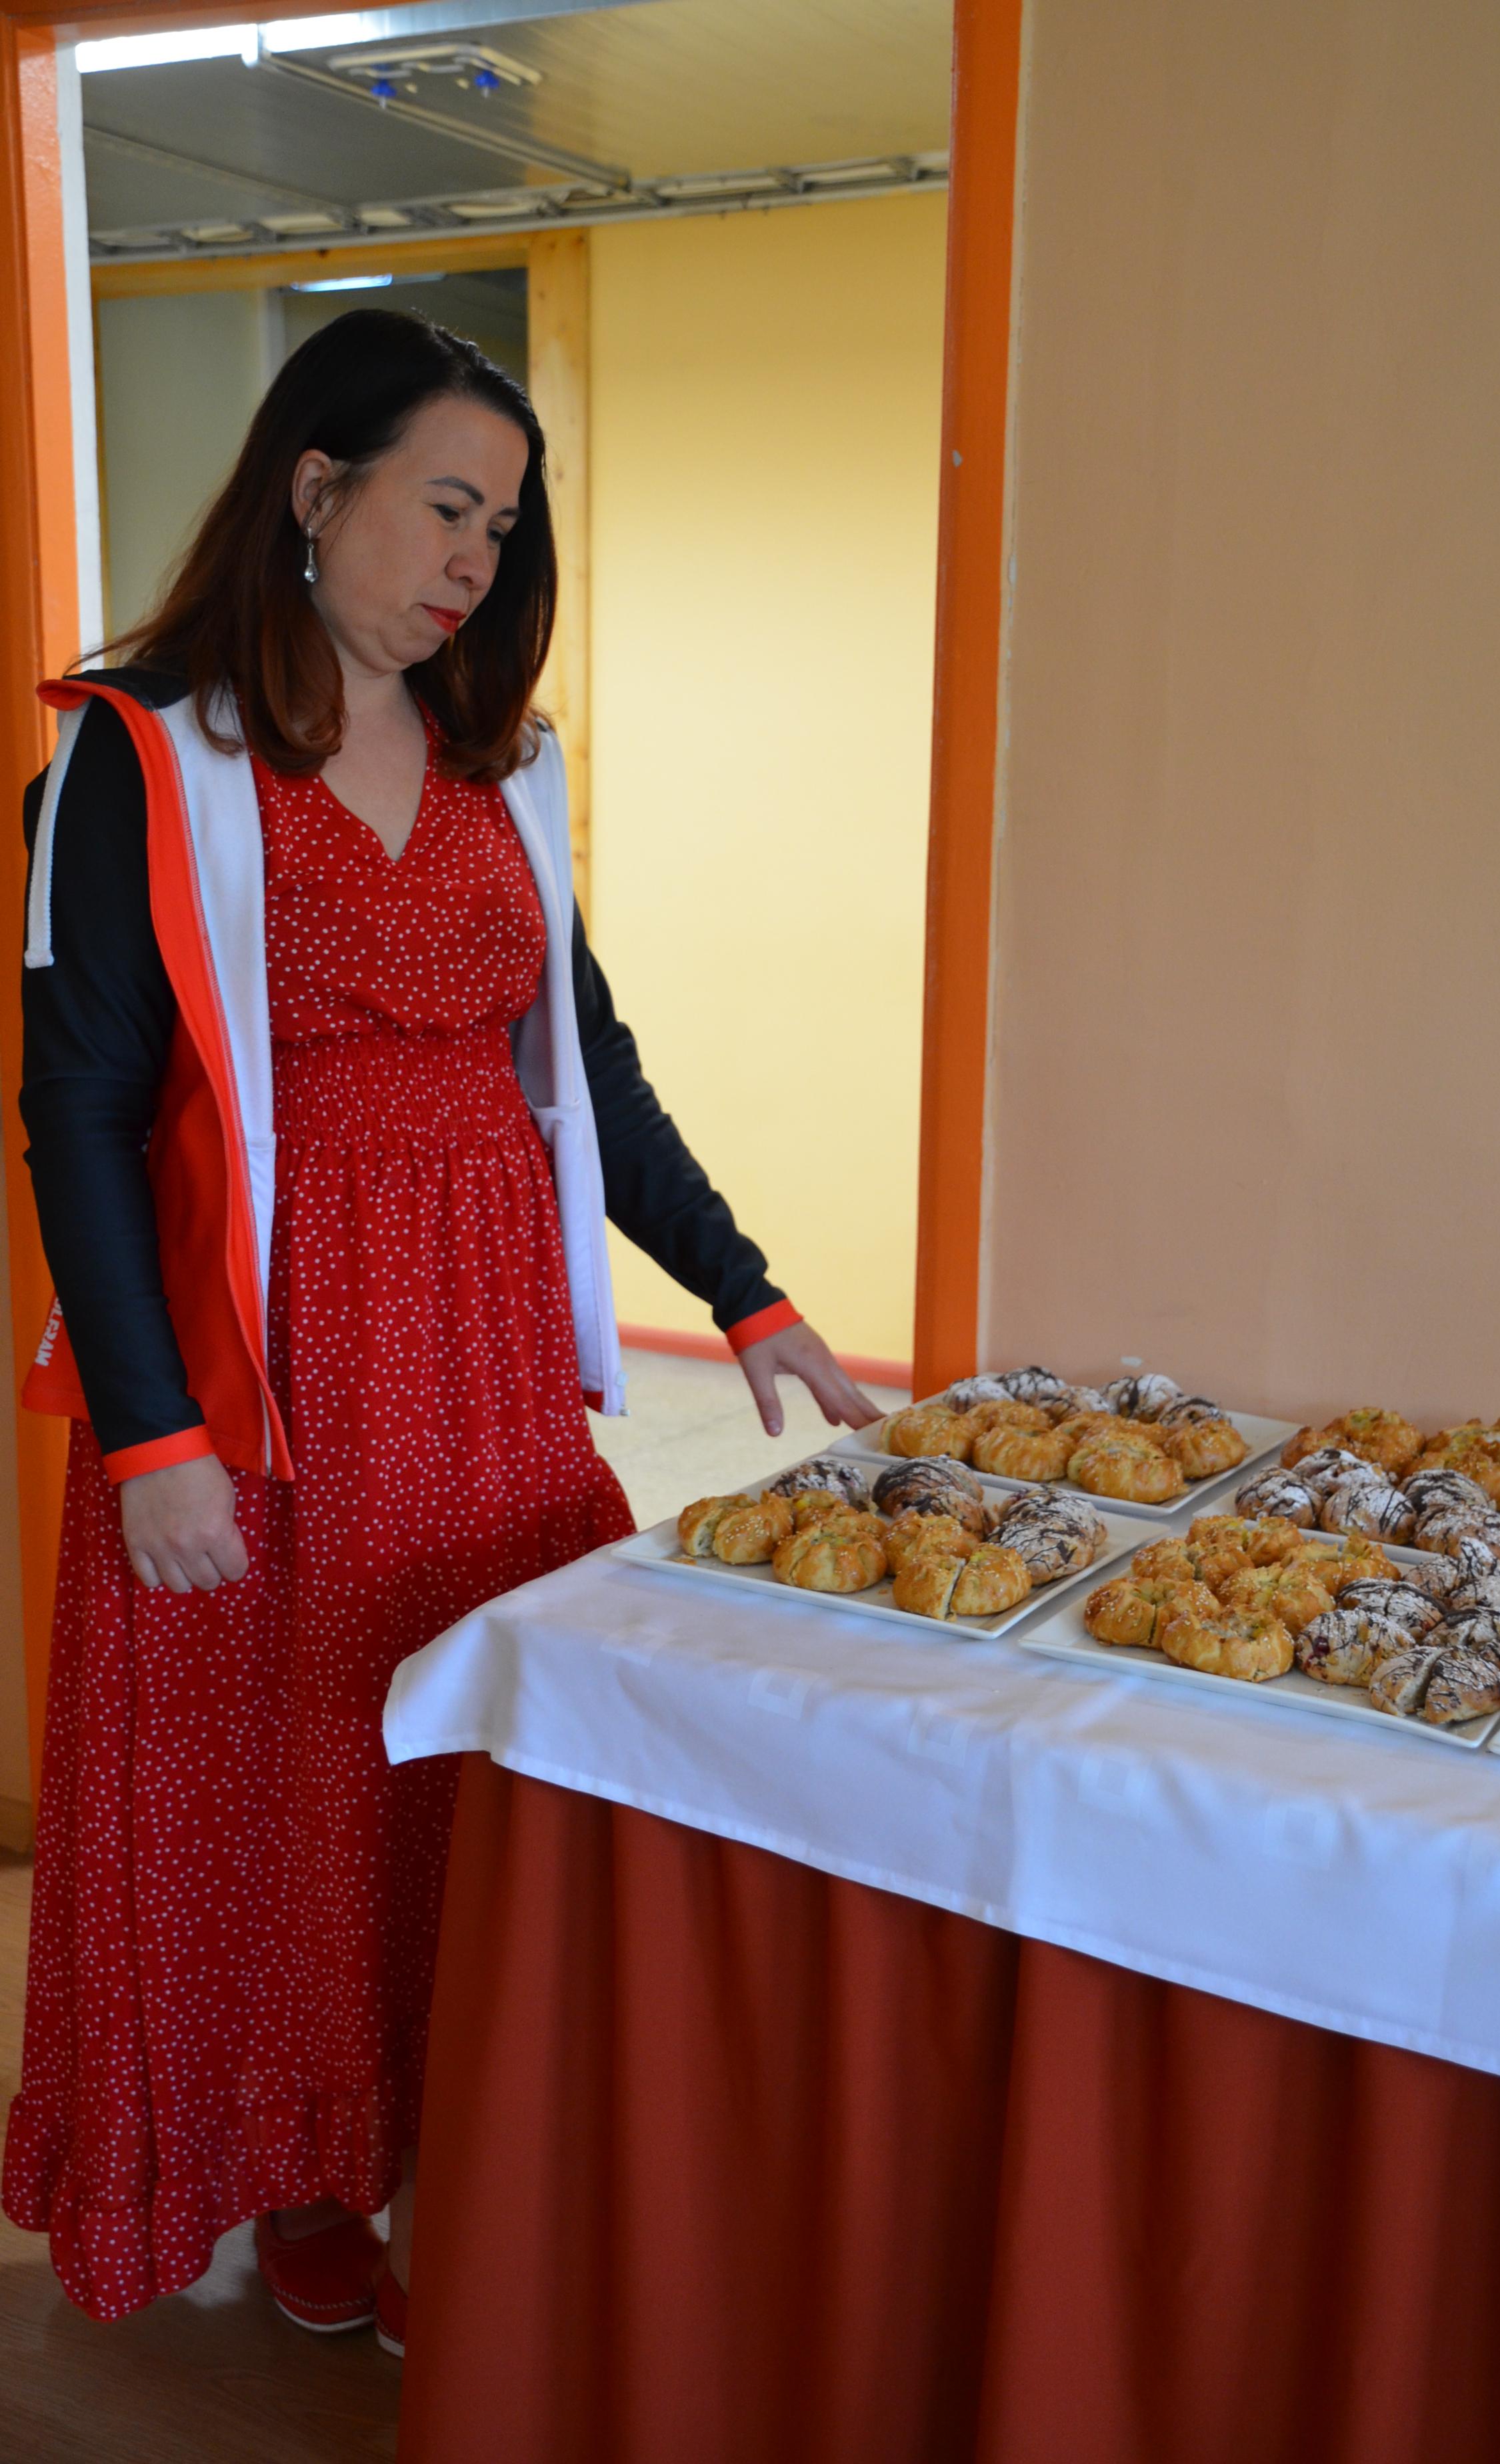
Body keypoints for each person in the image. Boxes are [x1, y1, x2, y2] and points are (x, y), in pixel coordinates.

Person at [0, 310, 877, 2349]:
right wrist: (154, 1435)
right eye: (447, 506)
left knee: (474, 1769)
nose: (478, 559)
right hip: (269, 1374)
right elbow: (79, 1109)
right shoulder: (144, 756)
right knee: (283, 1789)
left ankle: (456, 2158)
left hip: (481, 1369)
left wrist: (745, 1289)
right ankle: (308, 2174)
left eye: (506, 525)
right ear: (316, 489)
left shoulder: (507, 767)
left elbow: (588, 1070)